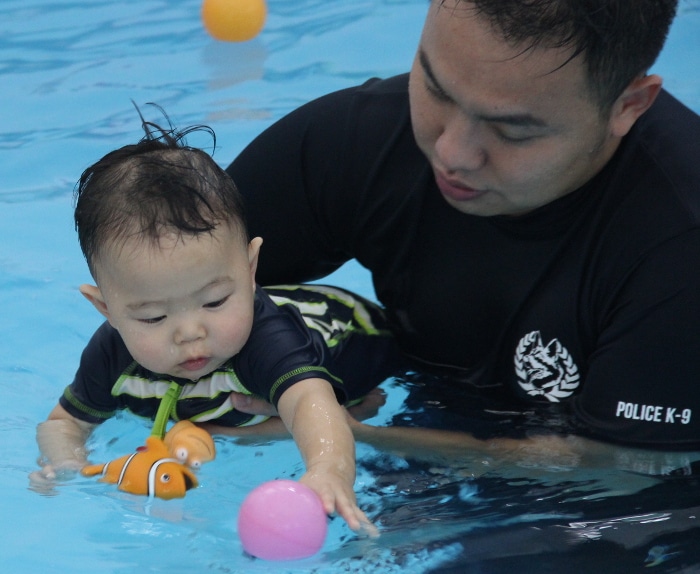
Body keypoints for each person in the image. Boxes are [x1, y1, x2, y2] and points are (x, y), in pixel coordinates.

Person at [223, 0, 700, 463]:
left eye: (512, 131)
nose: (452, 153)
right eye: (436, 89)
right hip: (433, 414)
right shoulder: (357, 142)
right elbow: (160, 272)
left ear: (629, 105)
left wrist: (342, 432)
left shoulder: (681, 243)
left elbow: (627, 469)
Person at [33, 118, 402, 533]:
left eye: (214, 301)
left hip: (366, 337)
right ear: (106, 309)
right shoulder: (111, 355)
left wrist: (328, 470)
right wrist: (67, 465)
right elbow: (63, 422)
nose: (189, 332)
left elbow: (309, 404)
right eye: (153, 316)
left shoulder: (266, 341)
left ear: (250, 270)